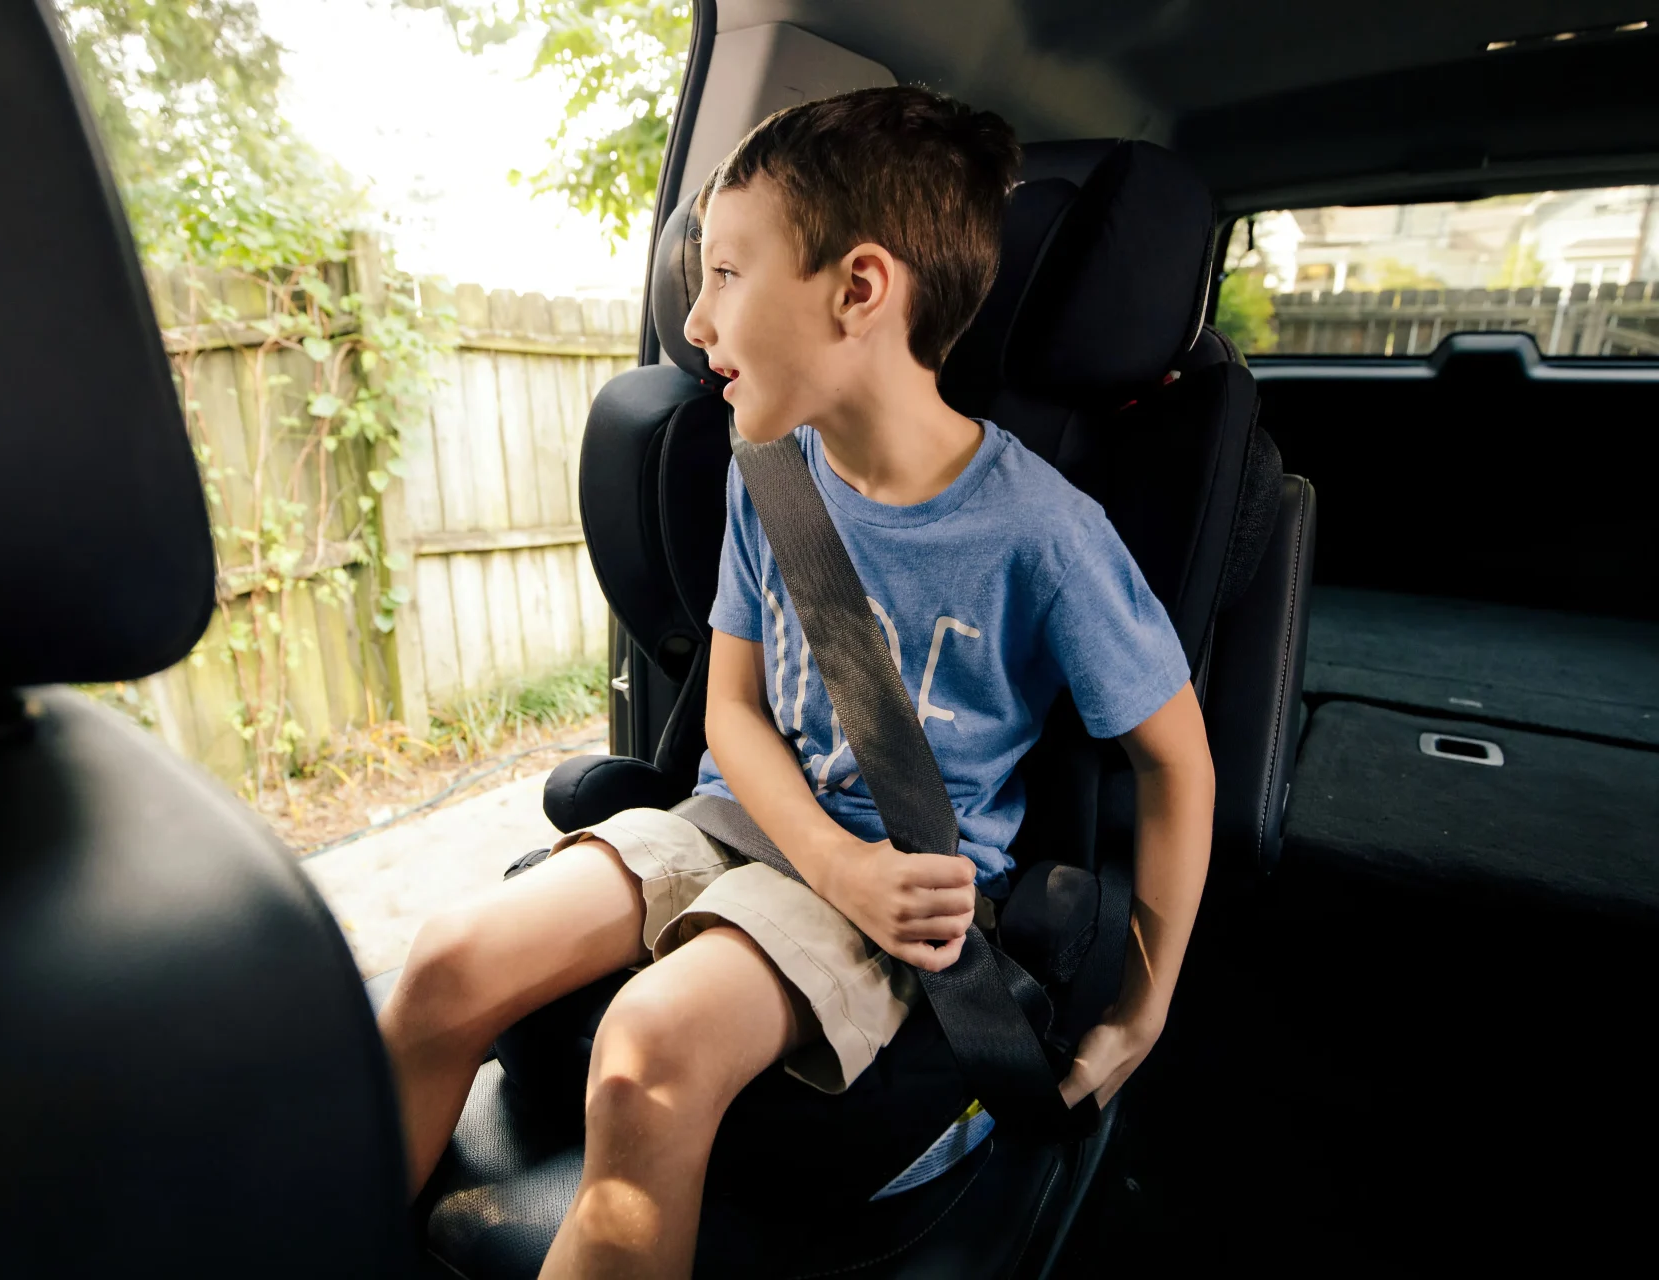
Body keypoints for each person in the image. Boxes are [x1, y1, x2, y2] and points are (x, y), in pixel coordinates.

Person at [378, 84, 1215, 1279]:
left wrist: (1144, 1000)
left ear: (859, 289)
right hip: (750, 824)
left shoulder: (1040, 530)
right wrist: (821, 853)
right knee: (446, 961)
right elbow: (729, 707)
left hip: (903, 888)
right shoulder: (769, 469)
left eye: (725, 273)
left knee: (644, 1050)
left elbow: (1175, 757)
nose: (693, 317)